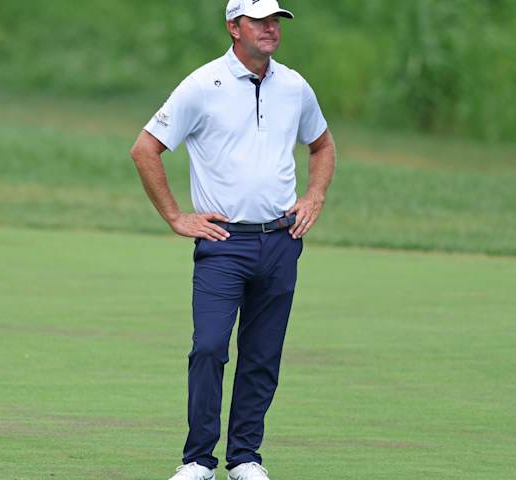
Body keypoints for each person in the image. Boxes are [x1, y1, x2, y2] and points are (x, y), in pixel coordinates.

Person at [130, 1, 335, 479]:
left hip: (281, 240)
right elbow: (145, 149)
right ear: (233, 27)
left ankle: (245, 457)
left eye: (275, 20)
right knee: (209, 348)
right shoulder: (203, 85)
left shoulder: (294, 86)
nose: (270, 28)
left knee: (262, 356)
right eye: (259, 20)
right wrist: (176, 216)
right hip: (223, 242)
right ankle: (198, 460)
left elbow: (322, 144)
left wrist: (314, 196)